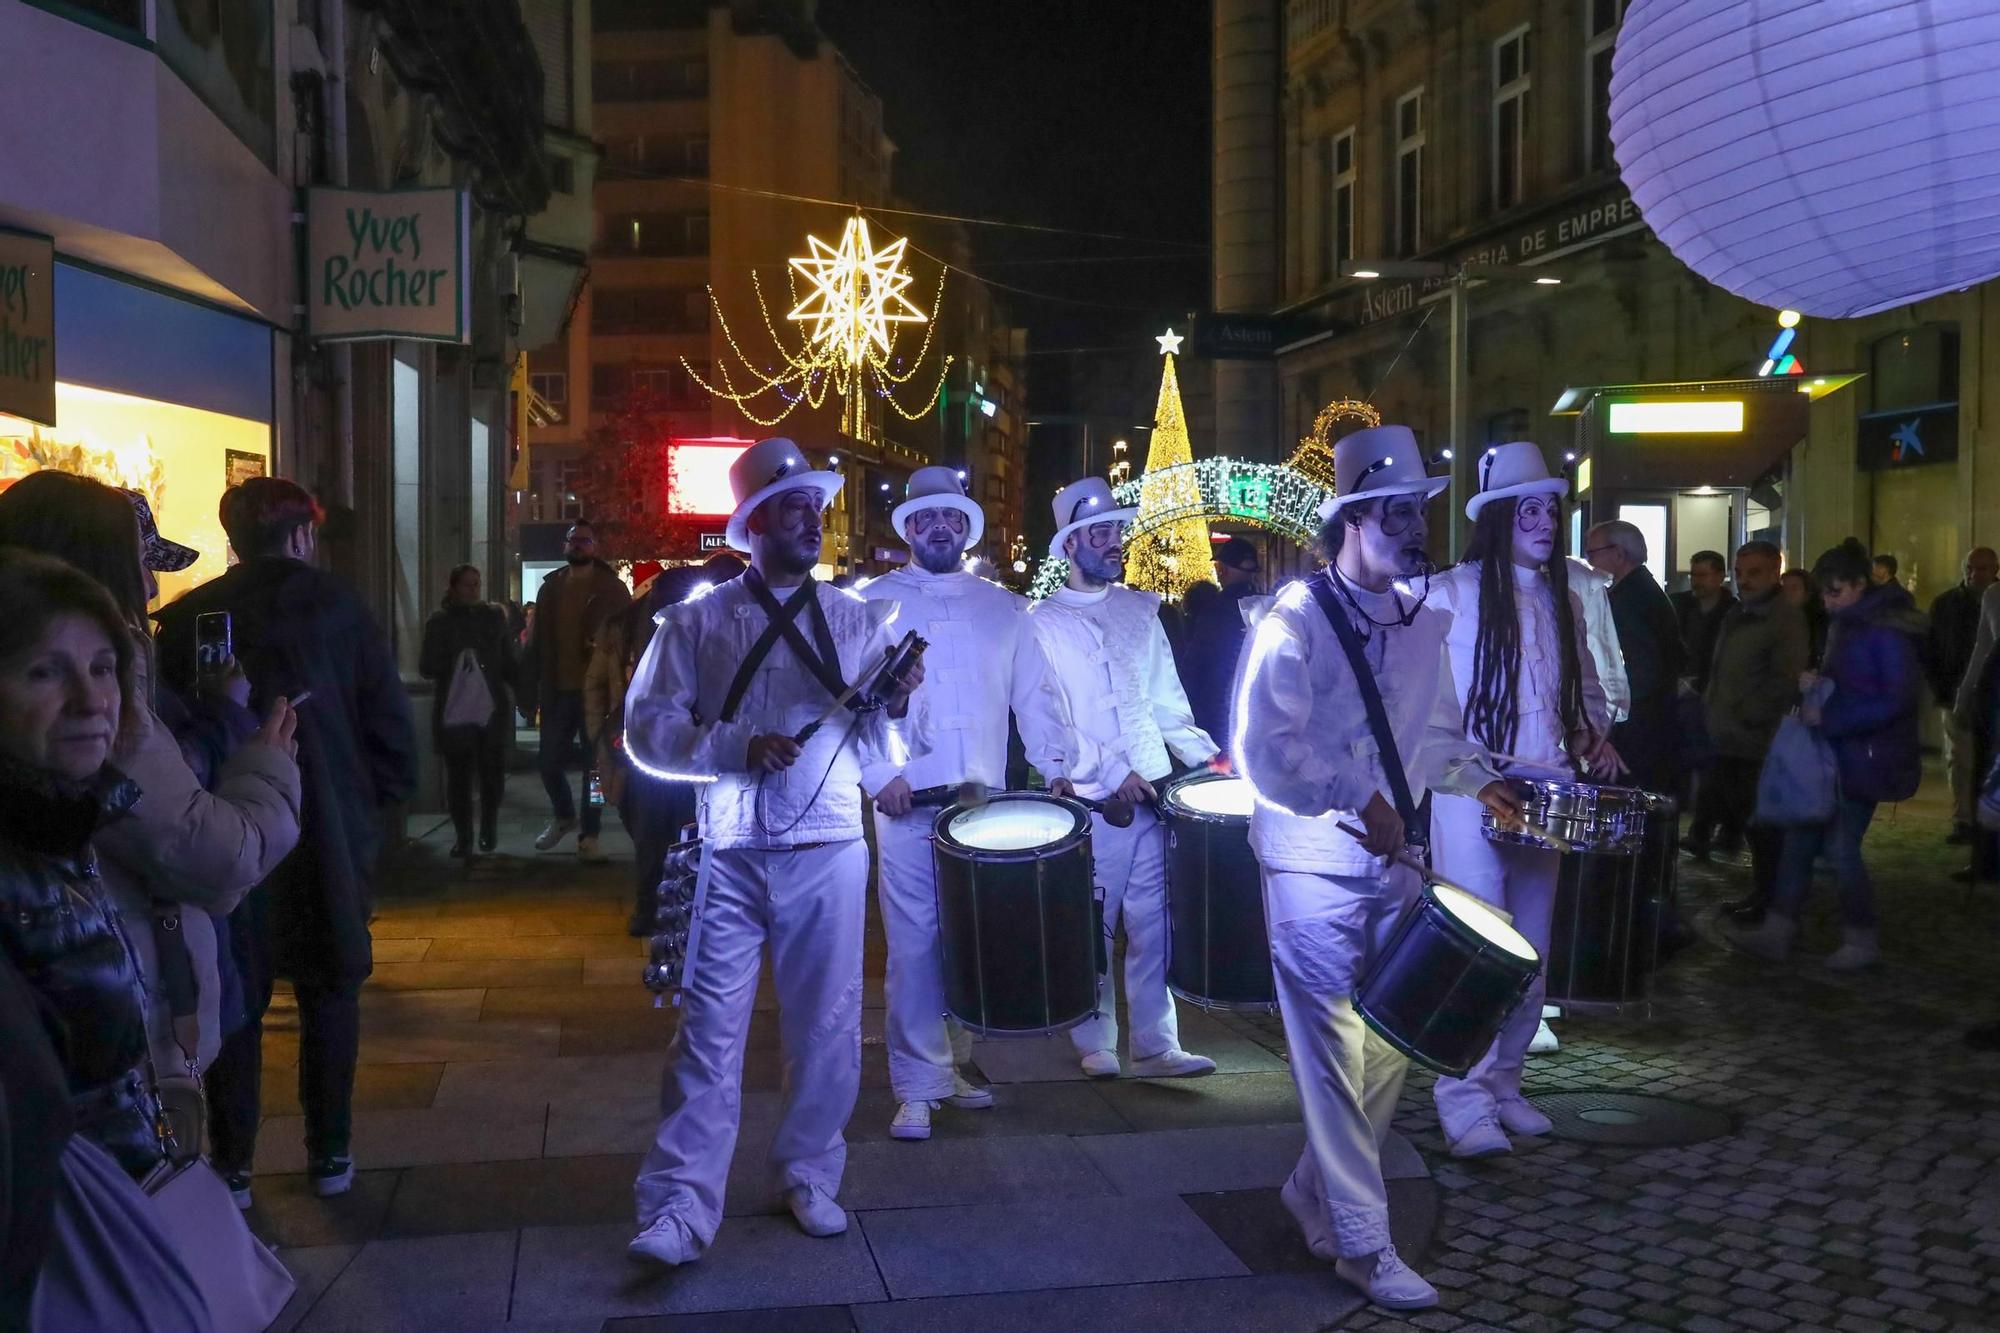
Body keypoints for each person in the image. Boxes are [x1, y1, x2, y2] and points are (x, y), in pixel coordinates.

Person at [1234, 425, 1520, 1312]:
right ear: (1354, 517)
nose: (1416, 531)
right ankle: (1363, 1242)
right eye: (1399, 515)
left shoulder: (1425, 621)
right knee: (1330, 1054)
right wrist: (1356, 796)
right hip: (1310, 862)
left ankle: (1314, 1192)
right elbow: (1263, 750)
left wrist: (1482, 778)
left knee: (1390, 1040)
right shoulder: (1294, 618)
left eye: (1421, 514)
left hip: (1393, 860)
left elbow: (1430, 737)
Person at [622, 437, 926, 1267]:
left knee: (827, 1027)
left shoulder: (858, 620)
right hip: (728, 846)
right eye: (793, 506)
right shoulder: (694, 621)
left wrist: (895, 707)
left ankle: (808, 1172)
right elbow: (647, 732)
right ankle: (680, 1206)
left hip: (829, 844)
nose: (811, 518)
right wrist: (734, 745)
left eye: (814, 507)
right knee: (705, 1032)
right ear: (753, 522)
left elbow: (885, 752)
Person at [155, 476, 417, 1203]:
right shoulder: (343, 610)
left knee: (235, 994)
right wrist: (375, 811)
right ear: (304, 535)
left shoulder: (191, 617)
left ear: (233, 540)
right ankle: (329, 1151)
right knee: (329, 991)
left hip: (228, 829)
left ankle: (234, 1163)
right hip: (329, 832)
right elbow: (391, 731)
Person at [0, 474, 303, 1102]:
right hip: (117, 1068)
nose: (152, 586)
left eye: (103, 669)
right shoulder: (96, 740)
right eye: (44, 672)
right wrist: (265, 764)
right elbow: (213, 856)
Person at [0, 550, 224, 1332]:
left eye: (102, 666)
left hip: (119, 1210)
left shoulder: (65, 823)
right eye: (43, 673)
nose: (91, 697)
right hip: (55, 1259)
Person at [858, 466, 1063, 1141]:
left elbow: (1035, 698)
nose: (939, 528)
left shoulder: (1003, 606)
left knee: (971, 938)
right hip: (907, 798)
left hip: (983, 803)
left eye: (951, 519)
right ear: (909, 529)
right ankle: (916, 1085)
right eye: (926, 519)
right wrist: (877, 772)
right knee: (914, 943)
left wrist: (1058, 769)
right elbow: (853, 705)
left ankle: (953, 1067)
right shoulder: (874, 604)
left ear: (966, 528)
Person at [1428, 443, 1619, 1159]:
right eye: (1528, 508)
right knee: (1480, 945)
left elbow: (1587, 693)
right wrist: (1476, 775)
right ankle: (1464, 1096)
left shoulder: (1565, 599)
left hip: (1549, 791)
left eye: (1550, 507)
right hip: (1474, 789)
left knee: (1531, 948)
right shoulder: (1450, 592)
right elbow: (1430, 706)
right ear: (1500, 517)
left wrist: (1591, 734)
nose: (1543, 519)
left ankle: (1506, 1082)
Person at [1030, 475, 1220, 1081]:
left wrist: (1207, 758)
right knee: (1093, 920)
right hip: (1092, 797)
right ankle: (1094, 1038)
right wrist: (1112, 771)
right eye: (1101, 532)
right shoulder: (1039, 622)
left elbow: (1166, 701)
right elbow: (1048, 715)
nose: (1115, 541)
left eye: (1117, 530)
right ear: (1069, 545)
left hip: (1155, 794)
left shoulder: (1142, 609)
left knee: (1154, 922)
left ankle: (1157, 1043)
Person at [1732, 540, 1922, 970]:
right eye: (1826, 594)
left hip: (1863, 756)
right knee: (1802, 838)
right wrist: (1817, 684)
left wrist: (1829, 714)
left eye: (1835, 592)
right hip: (1842, 751)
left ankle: (1859, 938)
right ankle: (1780, 930)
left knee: (1839, 848)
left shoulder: (1883, 631)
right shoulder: (1854, 623)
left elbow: (1895, 699)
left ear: (1858, 585)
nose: (1829, 601)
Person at [1697, 541, 1810, 922]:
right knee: (1751, 824)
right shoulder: (1742, 613)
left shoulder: (1782, 619)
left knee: (1765, 829)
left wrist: (1746, 715)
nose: (1744, 580)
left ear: (1776, 572)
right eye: (1740, 572)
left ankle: (1771, 902)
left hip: (1757, 741)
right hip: (1731, 735)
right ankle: (1763, 894)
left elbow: (1783, 681)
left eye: (1755, 573)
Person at [529, 521, 630, 861]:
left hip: (597, 693)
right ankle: (564, 815)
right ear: (564, 545)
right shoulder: (551, 587)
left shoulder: (611, 588)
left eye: (585, 541)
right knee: (548, 761)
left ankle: (591, 832)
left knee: (597, 768)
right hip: (558, 689)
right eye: (574, 540)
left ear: (595, 546)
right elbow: (537, 641)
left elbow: (625, 637)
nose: (578, 546)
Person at [420, 565, 517, 857]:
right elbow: (427, 666)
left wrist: (526, 691)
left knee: (492, 774)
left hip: (490, 709)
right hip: (456, 708)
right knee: (459, 777)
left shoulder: (493, 617)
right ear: (453, 588)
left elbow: (508, 663)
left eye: (477, 584)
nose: (474, 590)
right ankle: (464, 836)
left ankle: (488, 825)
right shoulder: (440, 622)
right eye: (467, 585)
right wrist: (457, 659)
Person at [1585, 520, 1686, 793]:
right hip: (1650, 725)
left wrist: (1609, 720)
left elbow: (1640, 672)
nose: (1588, 561)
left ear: (1618, 554)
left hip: (1639, 731)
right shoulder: (1639, 591)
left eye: (1592, 553)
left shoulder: (1631, 600)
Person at [1926, 548, 1996, 845]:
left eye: (1981, 568)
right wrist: (1943, 687)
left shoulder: (1981, 601)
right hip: (1957, 689)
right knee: (1961, 759)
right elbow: (1933, 649)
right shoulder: (1946, 605)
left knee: (1978, 760)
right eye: (1971, 567)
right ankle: (1965, 819)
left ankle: (1979, 818)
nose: (1974, 574)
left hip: (1986, 693)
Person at [1183, 535, 1261, 752]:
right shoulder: (1269, 608)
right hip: (1260, 716)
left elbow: (1196, 670)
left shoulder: (1214, 612)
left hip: (1220, 720)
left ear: (1223, 570)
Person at [1781, 568, 1828, 666]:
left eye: (1794, 589)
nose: (1788, 593)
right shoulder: (1778, 621)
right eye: (1784, 589)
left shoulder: (1819, 623)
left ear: (1807, 592)